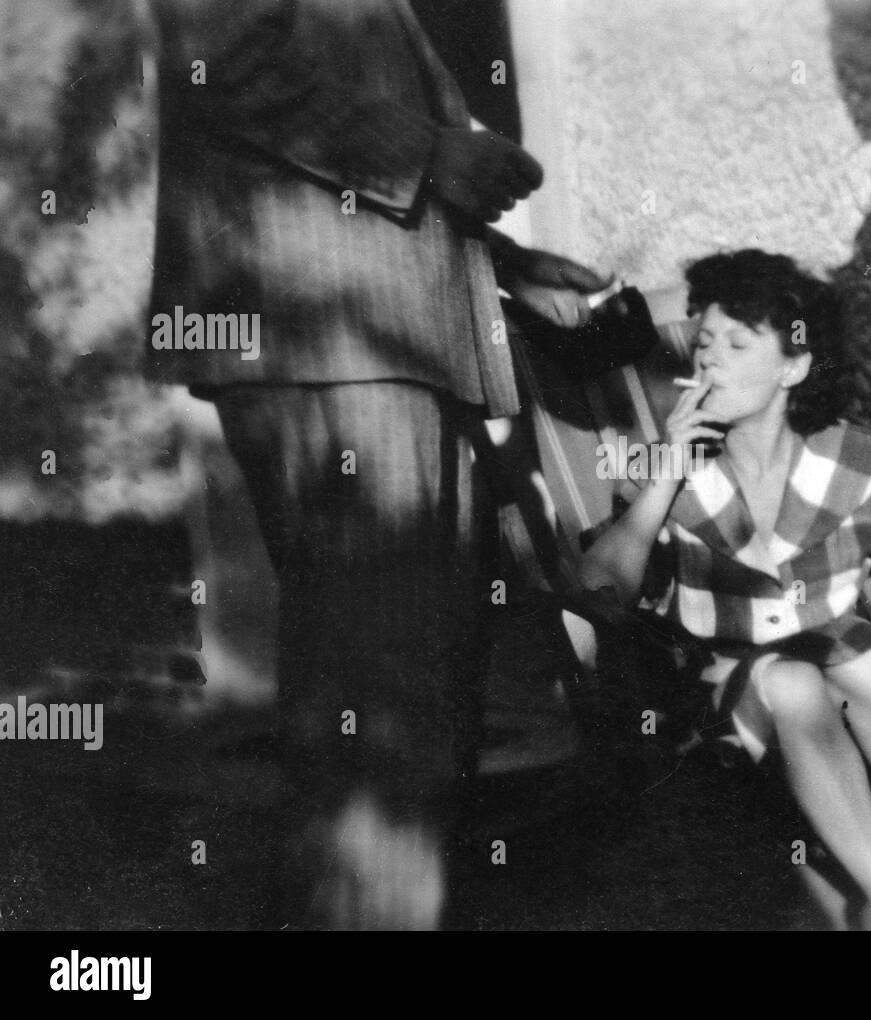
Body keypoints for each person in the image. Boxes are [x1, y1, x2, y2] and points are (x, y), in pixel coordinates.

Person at [146, 0, 610, 928]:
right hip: (332, 341)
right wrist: (436, 157)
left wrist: (503, 265)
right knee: (384, 693)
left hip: (385, 340)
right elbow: (227, 67)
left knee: (415, 696)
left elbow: (329, 94)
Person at [579, 250, 871, 930]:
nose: (709, 360)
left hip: (853, 661)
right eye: (704, 343)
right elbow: (597, 590)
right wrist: (663, 476)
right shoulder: (673, 475)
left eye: (737, 343)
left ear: (795, 367)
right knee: (792, 684)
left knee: (867, 662)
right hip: (734, 682)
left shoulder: (854, 461)